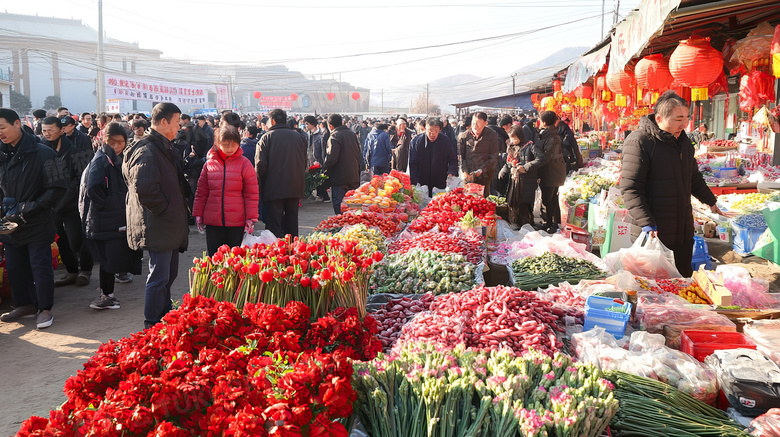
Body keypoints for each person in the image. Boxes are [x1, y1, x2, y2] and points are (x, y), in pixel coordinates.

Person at [620, 91, 722, 277]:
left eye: (686, 118)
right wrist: (646, 222)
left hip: (682, 230)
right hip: (654, 232)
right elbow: (630, 188)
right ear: (659, 118)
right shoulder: (640, 141)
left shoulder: (683, 141)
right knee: (652, 289)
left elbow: (693, 178)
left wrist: (711, 201)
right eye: (678, 119)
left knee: (682, 283)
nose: (684, 124)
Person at [123, 103, 190, 329]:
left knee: (168, 276)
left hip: (167, 223)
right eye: (176, 122)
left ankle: (164, 316)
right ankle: (152, 324)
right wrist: (167, 210)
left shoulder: (163, 146)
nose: (179, 127)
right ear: (163, 122)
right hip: (158, 223)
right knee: (159, 277)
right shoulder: (147, 149)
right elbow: (145, 190)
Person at [0, 108, 67, 329]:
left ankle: (44, 308)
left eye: (2, 128)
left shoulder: (44, 153)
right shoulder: (1, 154)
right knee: (15, 267)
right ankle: (24, 305)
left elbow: (58, 187)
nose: (0, 133)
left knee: (40, 267)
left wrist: (30, 207)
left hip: (36, 221)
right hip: (9, 223)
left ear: (17, 124)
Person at [79, 122, 142, 310]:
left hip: (110, 218)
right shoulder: (102, 160)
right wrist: (111, 205)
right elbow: (92, 188)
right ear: (104, 140)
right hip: (106, 219)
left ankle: (108, 294)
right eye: (112, 142)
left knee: (112, 257)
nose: (116, 146)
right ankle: (106, 296)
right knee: (108, 259)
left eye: (120, 142)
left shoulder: (113, 158)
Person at [40, 117, 94, 287]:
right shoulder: (40, 150)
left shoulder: (76, 151)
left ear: (62, 130)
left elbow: (83, 179)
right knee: (59, 239)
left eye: (50, 130)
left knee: (76, 239)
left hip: (71, 204)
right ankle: (72, 272)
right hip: (51, 205)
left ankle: (85, 269)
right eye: (43, 130)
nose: (46, 134)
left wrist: (66, 197)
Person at [194, 126, 259, 255]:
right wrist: (198, 214)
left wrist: (251, 218)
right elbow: (201, 192)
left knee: (234, 258)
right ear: (217, 144)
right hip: (213, 221)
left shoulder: (244, 164)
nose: (230, 148)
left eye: (233, 144)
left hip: (237, 221)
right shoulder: (209, 164)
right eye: (225, 144)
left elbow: (251, 193)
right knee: (214, 256)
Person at [255, 108, 307, 237]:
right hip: (295, 187)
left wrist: (263, 182)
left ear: (272, 121)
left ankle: (276, 254)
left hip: (273, 188)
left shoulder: (266, 138)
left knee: (274, 225)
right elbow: (304, 162)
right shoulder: (298, 137)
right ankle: (294, 252)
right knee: (292, 224)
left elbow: (260, 165)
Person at [498, 125, 547, 228]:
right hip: (515, 181)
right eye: (511, 138)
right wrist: (503, 171)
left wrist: (526, 167)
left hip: (527, 181)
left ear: (520, 136)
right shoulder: (512, 148)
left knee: (525, 203)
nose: (513, 140)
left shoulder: (530, 146)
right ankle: (518, 223)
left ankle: (526, 224)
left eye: (514, 137)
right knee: (515, 202)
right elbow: (508, 163)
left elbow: (542, 159)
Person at [409, 117, 458, 197]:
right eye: (429, 130)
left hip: (440, 179)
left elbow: (453, 159)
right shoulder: (417, 141)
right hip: (422, 180)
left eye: (435, 131)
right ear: (425, 129)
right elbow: (412, 163)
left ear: (440, 130)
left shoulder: (445, 141)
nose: (432, 134)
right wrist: (414, 183)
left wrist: (451, 172)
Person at [323, 113, 361, 215]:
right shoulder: (352, 134)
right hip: (353, 177)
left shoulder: (334, 136)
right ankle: (351, 228)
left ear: (330, 126)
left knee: (340, 207)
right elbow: (359, 154)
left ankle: (342, 228)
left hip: (339, 178)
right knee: (352, 206)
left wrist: (324, 172)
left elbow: (331, 159)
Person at [537, 111, 566, 233]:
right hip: (555, 171)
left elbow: (546, 157)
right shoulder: (552, 134)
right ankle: (553, 223)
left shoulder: (551, 137)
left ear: (543, 122)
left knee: (548, 200)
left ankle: (550, 224)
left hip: (550, 172)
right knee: (552, 199)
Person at [458, 112, 500, 197]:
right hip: (468, 175)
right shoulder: (464, 136)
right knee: (468, 201)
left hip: (485, 175)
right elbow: (460, 156)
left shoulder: (492, 135)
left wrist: (481, 170)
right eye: (473, 123)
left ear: (485, 123)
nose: (475, 126)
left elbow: (494, 157)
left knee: (482, 203)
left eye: (478, 123)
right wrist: (464, 170)